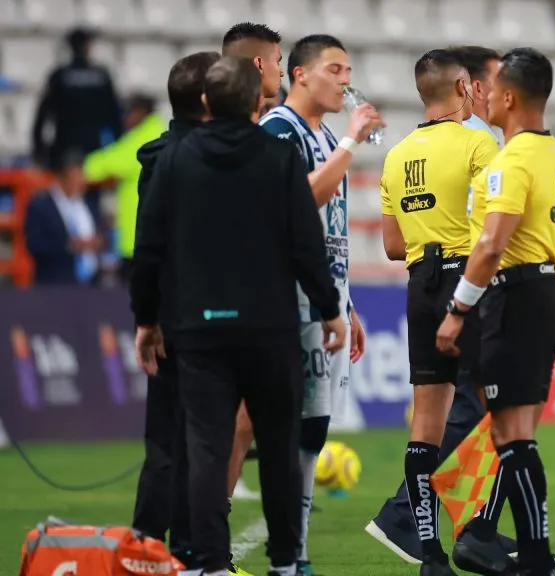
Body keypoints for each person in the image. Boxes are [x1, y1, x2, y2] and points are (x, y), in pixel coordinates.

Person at [130, 55, 347, 576]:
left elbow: (149, 246)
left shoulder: (177, 159)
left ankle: (207, 563)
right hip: (269, 327)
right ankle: (284, 562)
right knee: (277, 448)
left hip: (200, 328)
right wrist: (330, 309)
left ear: (206, 102)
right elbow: (305, 245)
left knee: (206, 447)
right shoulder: (279, 157)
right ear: (257, 102)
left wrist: (146, 318)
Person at [366, 44, 519, 570]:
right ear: (463, 88)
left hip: (419, 283)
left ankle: (430, 550)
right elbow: (496, 227)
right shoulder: (479, 147)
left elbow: (391, 244)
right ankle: (472, 527)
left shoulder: (397, 155)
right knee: (503, 406)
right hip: (466, 281)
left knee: (427, 419)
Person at [435, 47, 555, 576]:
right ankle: (524, 549)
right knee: (518, 433)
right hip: (548, 295)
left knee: (512, 437)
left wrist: (457, 309)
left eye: (493, 92)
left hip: (513, 298)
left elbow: (491, 243)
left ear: (511, 98)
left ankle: (535, 556)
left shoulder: (511, 162)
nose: (486, 98)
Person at [258, 33, 382, 576]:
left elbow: (332, 232)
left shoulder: (327, 133)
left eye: (348, 70)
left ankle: (296, 549)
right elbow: (296, 202)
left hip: (323, 300)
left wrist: (345, 301)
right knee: (286, 429)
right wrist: (352, 144)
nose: (345, 81)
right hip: (285, 303)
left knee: (315, 427)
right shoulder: (278, 130)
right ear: (300, 75)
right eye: (335, 69)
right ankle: (285, 553)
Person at [129, 51, 220, 575]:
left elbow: (148, 250)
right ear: (210, 99)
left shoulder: (157, 155)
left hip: (168, 317)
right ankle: (185, 551)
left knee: (167, 440)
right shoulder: (210, 157)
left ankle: (145, 549)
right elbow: (155, 247)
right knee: (194, 443)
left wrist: (147, 318)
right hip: (206, 321)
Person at [219, 22, 285, 504]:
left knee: (243, 419)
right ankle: (203, 543)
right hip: (235, 295)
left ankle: (204, 540)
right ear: (260, 64)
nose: (281, 72)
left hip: (244, 293)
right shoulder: (252, 136)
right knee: (233, 418)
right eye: (279, 61)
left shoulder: (255, 127)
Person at [83, 93, 165, 282]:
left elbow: (108, 162)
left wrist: (81, 167)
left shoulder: (144, 137)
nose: (125, 118)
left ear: (140, 113)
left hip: (138, 237)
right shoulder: (160, 131)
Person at [31, 27, 122, 170]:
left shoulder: (59, 75)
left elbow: (43, 115)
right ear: (87, 47)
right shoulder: (101, 76)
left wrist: (39, 151)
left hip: (63, 147)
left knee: (65, 191)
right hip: (94, 150)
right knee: (90, 189)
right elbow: (115, 117)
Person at [24, 151, 103, 285]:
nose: (81, 182)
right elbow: (34, 244)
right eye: (76, 176)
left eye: (82, 176)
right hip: (55, 286)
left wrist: (99, 242)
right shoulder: (41, 205)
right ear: (62, 177)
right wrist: (69, 245)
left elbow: (103, 232)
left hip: (91, 286)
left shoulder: (89, 203)